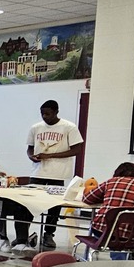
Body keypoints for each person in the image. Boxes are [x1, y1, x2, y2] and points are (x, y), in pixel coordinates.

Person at [27, 100, 84, 249]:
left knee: (54, 206)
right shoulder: (36, 128)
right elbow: (30, 148)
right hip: (38, 172)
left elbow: (77, 150)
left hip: (58, 173)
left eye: (48, 114)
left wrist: (50, 155)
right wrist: (31, 156)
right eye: (42, 114)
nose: (45, 117)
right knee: (29, 203)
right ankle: (23, 234)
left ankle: (49, 233)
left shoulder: (69, 127)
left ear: (56, 112)